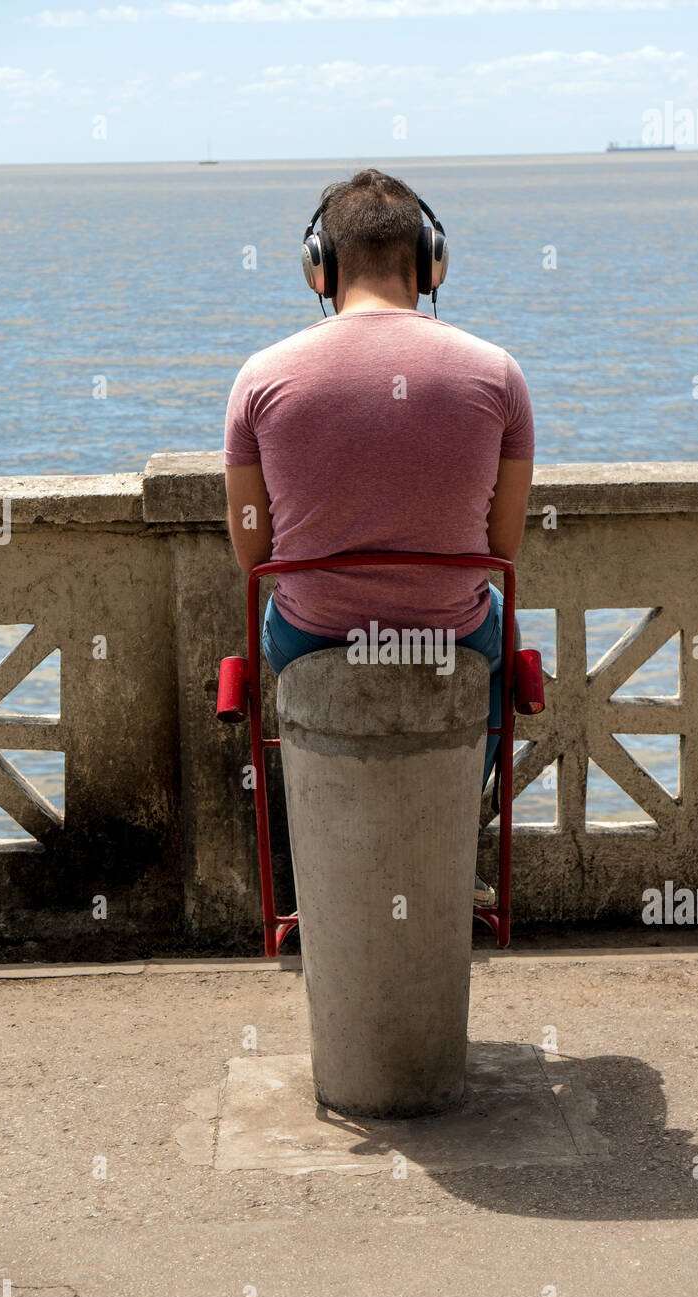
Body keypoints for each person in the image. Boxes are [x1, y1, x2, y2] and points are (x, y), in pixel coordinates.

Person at [224, 169, 534, 906]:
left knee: (279, 613)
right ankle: (449, 844)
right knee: (494, 616)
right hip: (451, 637)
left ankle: (334, 865)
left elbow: (252, 556)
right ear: (432, 263)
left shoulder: (261, 378)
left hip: (312, 639)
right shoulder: (498, 374)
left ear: (318, 267)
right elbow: (503, 545)